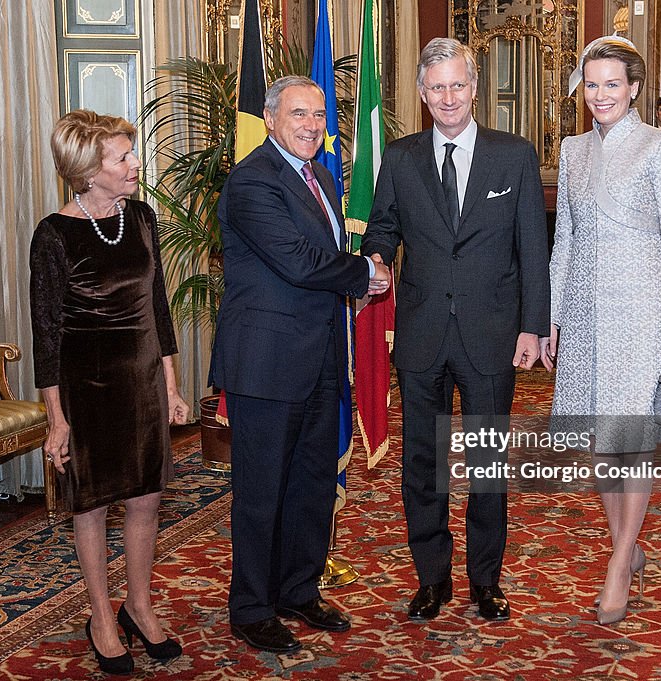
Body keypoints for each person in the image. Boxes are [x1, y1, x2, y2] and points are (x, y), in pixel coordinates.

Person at [362, 37, 550, 622]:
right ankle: (432, 579)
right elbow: (382, 229)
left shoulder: (513, 156)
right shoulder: (398, 157)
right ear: (422, 93)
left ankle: (485, 582)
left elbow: (532, 250)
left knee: (489, 466)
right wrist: (376, 260)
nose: (447, 96)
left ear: (474, 90)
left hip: (493, 333)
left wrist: (533, 327)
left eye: (457, 85)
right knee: (423, 462)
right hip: (420, 336)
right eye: (436, 86)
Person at [209, 75, 391, 654]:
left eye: (319, 114)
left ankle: (298, 589)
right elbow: (297, 261)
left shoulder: (315, 177)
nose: (313, 124)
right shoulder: (253, 180)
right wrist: (364, 274)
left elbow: (320, 257)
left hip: (317, 359)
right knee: (263, 490)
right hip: (266, 364)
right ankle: (252, 608)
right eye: (299, 115)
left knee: (311, 482)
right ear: (270, 119)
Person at [541, 37, 661, 625]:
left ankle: (615, 564)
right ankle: (626, 545)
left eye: (612, 83)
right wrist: (551, 318)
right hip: (584, 307)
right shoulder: (573, 149)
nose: (601, 94)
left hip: (642, 306)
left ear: (633, 88)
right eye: (592, 84)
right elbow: (563, 242)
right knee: (600, 442)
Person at [31, 110, 190, 675]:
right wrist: (56, 420)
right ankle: (101, 616)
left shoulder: (142, 218)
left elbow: (161, 310)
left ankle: (139, 606)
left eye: (131, 153)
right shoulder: (54, 234)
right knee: (94, 503)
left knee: (146, 497)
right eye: (122, 157)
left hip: (144, 379)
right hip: (88, 388)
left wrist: (171, 385)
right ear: (87, 171)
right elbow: (46, 334)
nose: (135, 163)